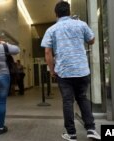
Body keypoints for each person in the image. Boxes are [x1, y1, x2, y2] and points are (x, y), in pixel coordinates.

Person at [41, 1, 101, 141]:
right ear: (69, 11)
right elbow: (91, 40)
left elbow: (48, 53)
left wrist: (52, 70)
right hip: (82, 70)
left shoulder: (52, 29)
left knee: (68, 101)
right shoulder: (81, 24)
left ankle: (71, 134)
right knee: (82, 98)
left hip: (64, 72)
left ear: (56, 14)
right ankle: (91, 129)